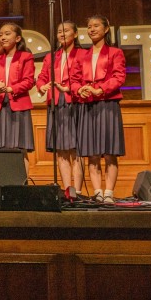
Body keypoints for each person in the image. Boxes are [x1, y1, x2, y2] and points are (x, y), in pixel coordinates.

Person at [70, 15, 126, 203]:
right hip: (87, 105)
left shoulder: (115, 52)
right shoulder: (82, 55)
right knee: (92, 153)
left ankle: (108, 192)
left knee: (110, 151)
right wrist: (79, 90)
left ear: (106, 29)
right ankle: (97, 192)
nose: (92, 29)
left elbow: (119, 77)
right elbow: (74, 80)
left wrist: (100, 89)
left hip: (107, 104)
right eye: (89, 26)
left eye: (96, 26)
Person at [36, 21, 84, 194]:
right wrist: (42, 86)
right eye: (59, 31)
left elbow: (85, 77)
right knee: (61, 149)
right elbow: (42, 77)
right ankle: (67, 190)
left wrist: (69, 88)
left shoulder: (83, 54)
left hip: (74, 101)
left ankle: (77, 191)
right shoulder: (51, 56)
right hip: (55, 103)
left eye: (66, 30)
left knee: (76, 148)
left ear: (75, 34)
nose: (62, 34)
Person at [0, 23, 36, 177]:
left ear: (18, 38)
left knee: (19, 147)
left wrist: (10, 88)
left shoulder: (26, 57)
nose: (2, 37)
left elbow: (29, 81)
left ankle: (22, 183)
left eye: (7, 34)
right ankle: (3, 181)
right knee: (1, 147)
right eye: (1, 34)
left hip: (18, 105)